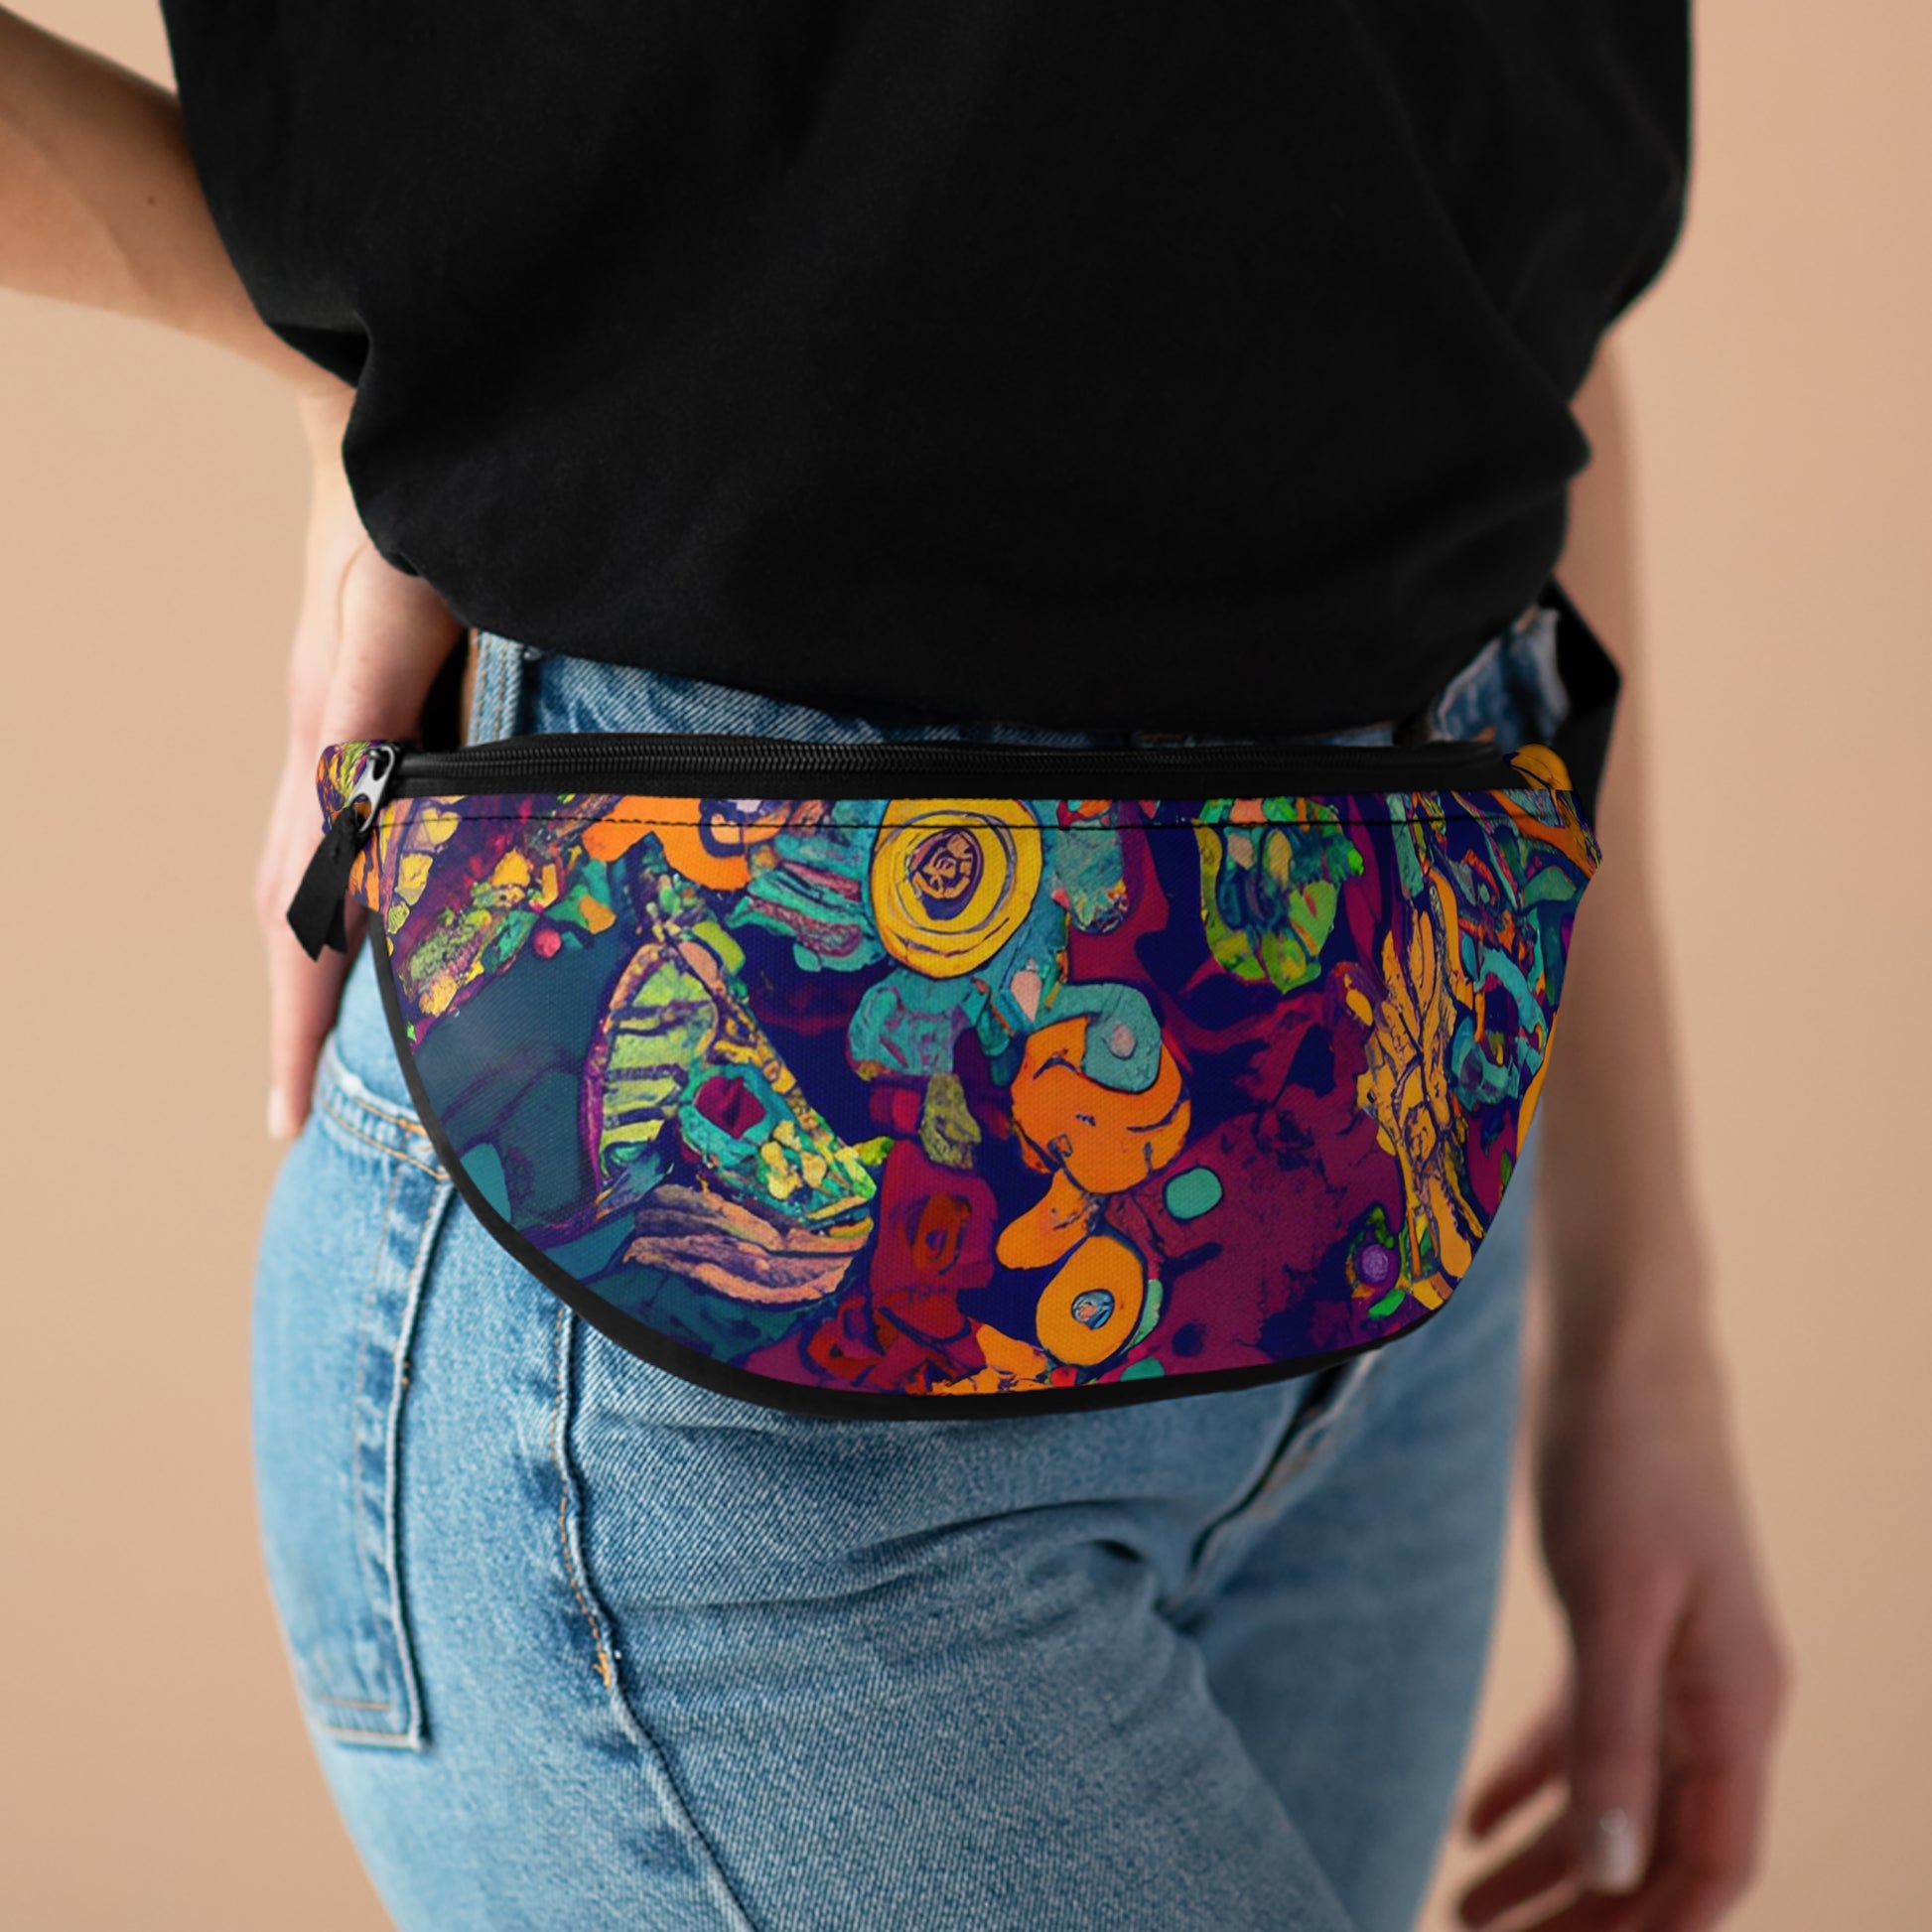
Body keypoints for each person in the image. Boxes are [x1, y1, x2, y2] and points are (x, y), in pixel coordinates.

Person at [1, 8, 1789, 1929]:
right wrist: (345, 377)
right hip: (723, 1352)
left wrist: (1641, 1332)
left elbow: (1504, 277)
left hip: (1401, 1162)